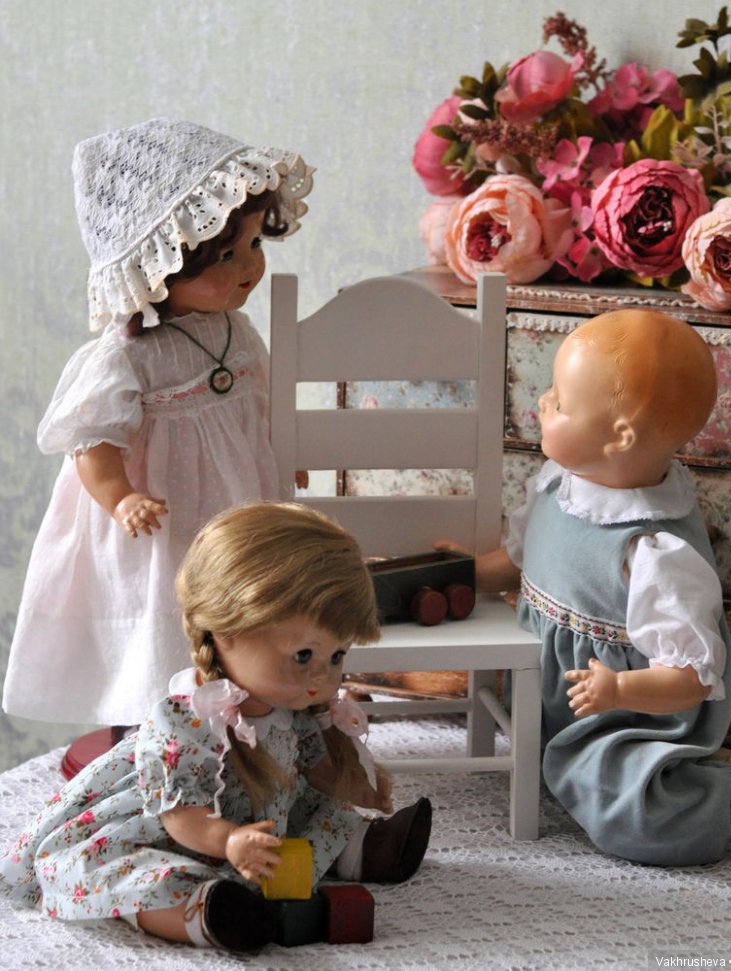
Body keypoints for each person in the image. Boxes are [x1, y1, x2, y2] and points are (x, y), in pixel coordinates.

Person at [464, 308, 731, 865]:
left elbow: (690, 678)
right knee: (548, 765)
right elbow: (520, 556)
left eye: (560, 402)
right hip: (553, 700)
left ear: (620, 436)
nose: (542, 402)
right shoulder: (561, 482)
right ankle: (648, 770)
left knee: (635, 817)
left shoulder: (654, 550)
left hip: (625, 716)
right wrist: (462, 574)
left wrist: (618, 691)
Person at [0, 502, 433, 952]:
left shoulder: (293, 709)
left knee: (321, 812)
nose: (322, 676)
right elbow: (179, 817)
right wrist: (227, 841)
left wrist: (357, 787)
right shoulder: (186, 722)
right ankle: (202, 912)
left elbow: (315, 771)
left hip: (261, 823)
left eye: (337, 655)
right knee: (122, 872)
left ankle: (363, 848)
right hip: (180, 832)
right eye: (304, 655)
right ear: (228, 632)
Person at [3, 118, 312, 727]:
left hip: (239, 500)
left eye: (254, 244)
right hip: (163, 512)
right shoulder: (128, 355)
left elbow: (261, 398)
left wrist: (285, 453)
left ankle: (244, 713)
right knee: (165, 604)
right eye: (226, 256)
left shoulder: (236, 330)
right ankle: (152, 723)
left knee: (244, 592)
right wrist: (120, 497)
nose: (250, 267)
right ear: (157, 266)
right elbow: (92, 439)